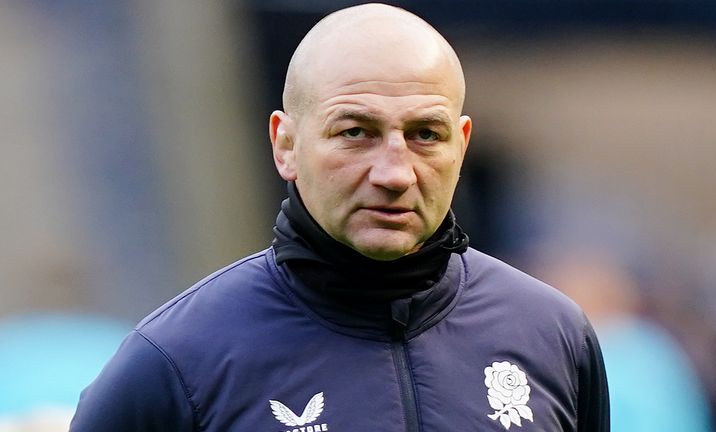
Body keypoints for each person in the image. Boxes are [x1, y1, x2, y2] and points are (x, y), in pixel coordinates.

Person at [70, 3, 609, 431]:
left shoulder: (552, 335)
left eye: (426, 134)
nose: (395, 172)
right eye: (356, 132)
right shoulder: (177, 361)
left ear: (461, 146)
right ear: (285, 144)